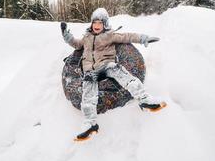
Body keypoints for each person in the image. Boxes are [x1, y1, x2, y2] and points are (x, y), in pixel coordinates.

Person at [61, 8, 166, 141]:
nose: (97, 26)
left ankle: (144, 99)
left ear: (104, 24)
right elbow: (76, 45)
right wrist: (67, 37)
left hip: (106, 65)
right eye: (95, 23)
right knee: (88, 92)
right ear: (91, 24)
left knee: (120, 72)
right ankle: (90, 123)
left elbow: (127, 36)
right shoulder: (86, 38)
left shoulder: (110, 35)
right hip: (90, 71)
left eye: (100, 23)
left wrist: (143, 38)